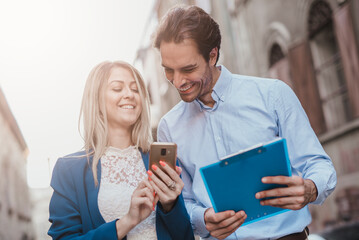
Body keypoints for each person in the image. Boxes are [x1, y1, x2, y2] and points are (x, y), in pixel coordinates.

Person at [153, 5, 337, 240]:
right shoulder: (169, 127)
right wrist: (203, 218)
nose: (178, 82)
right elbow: (180, 201)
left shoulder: (273, 95)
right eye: (169, 70)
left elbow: (320, 165)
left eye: (188, 69)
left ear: (212, 55)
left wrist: (311, 188)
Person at [48, 61, 194, 240]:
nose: (129, 95)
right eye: (117, 88)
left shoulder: (163, 162)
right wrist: (128, 221)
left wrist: (171, 205)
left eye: (135, 89)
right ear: (96, 99)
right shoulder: (69, 170)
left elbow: (185, 235)